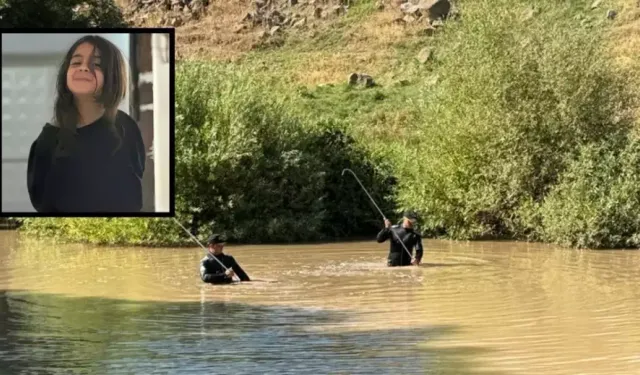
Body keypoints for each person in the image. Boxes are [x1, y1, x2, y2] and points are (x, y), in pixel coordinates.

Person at [26, 35, 146, 213]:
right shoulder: (47, 142)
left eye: (96, 64)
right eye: (76, 63)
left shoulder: (125, 127)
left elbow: (134, 193)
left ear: (112, 75)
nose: (84, 68)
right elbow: (43, 205)